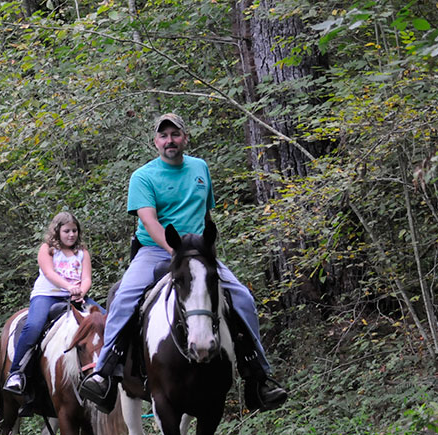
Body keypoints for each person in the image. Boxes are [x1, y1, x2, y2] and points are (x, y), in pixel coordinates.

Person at [78, 113, 288, 412]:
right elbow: (149, 221)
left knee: (242, 297)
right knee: (124, 297)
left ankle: (259, 377)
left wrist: (204, 250)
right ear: (155, 142)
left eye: (175, 134)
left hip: (198, 250)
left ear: (185, 138)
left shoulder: (200, 168)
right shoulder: (143, 176)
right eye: (163, 136)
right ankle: (105, 373)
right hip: (155, 249)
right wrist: (175, 250)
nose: (170, 141)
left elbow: (204, 215)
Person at [2, 212, 102, 415]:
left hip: (76, 297)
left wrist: (80, 292)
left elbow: (86, 278)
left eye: (74, 230)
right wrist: (68, 287)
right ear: (57, 231)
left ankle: (112, 368)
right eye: (67, 231)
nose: (71, 235)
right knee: (33, 326)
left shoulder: (82, 252)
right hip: (47, 296)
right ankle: (17, 374)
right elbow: (49, 273)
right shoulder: (47, 250)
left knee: (105, 319)